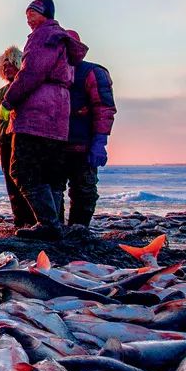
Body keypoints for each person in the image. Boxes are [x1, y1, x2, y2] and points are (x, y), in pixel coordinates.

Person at [0, 0, 85, 240]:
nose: (28, 18)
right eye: (26, 13)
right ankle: (55, 221)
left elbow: (31, 72)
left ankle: (48, 223)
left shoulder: (43, 36)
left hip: (37, 116)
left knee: (22, 169)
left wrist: (9, 99)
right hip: (58, 118)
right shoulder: (61, 41)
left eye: (33, 13)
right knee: (51, 172)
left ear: (45, 15)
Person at [59, 30, 116, 227]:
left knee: (84, 190)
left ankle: (79, 229)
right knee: (52, 190)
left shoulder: (92, 73)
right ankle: (55, 231)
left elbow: (104, 108)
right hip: (51, 146)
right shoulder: (45, 75)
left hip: (82, 145)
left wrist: (100, 142)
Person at [0, 45, 33, 228]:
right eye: (4, 67)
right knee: (10, 181)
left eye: (10, 65)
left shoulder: (26, 88)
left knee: (23, 179)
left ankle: (32, 218)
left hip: (21, 139)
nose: (7, 69)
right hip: (4, 141)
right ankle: (19, 219)